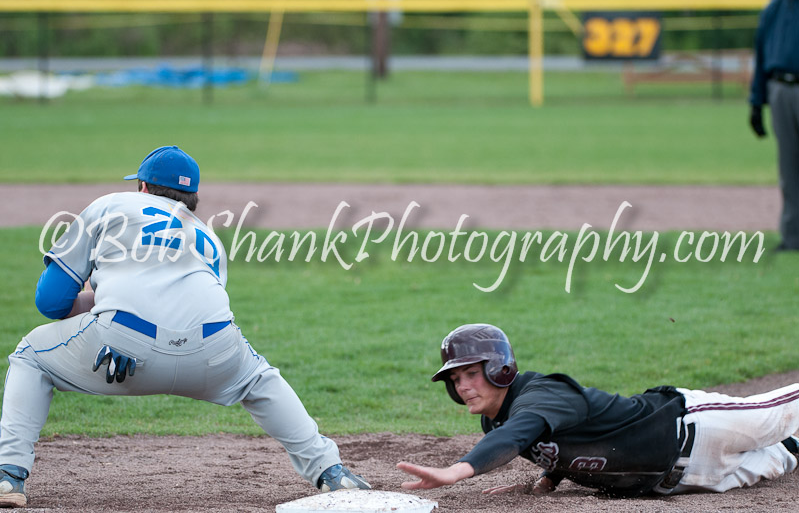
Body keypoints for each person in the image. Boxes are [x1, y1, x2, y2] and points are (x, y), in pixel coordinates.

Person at [0, 145, 370, 508]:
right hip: (214, 350)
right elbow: (182, 306)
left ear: (142, 187)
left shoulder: (111, 205)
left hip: (120, 349)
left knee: (31, 356)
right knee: (258, 379)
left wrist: (102, 305)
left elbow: (50, 302)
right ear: (192, 198)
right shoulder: (208, 237)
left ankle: (9, 475)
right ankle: (332, 471)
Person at [397, 323, 799, 497]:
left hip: (696, 424)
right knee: (786, 455)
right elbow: (555, 441)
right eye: (455, 379)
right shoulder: (495, 417)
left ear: (499, 367)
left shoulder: (542, 393)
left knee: (779, 413)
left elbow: (520, 432)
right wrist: (546, 482)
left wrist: (456, 471)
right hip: (681, 480)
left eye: (471, 373)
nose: (462, 385)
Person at [749, 0, 799, 251]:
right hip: (779, 89)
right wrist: (756, 103)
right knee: (788, 167)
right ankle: (793, 237)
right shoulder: (773, 8)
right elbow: (760, 56)